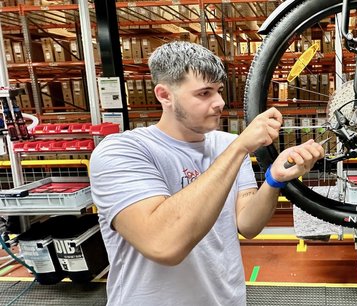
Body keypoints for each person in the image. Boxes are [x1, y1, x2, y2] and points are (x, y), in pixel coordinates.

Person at [89, 41, 324, 305]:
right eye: (204, 93)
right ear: (164, 95)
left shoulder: (225, 144)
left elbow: (247, 224)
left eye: (220, 91)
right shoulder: (122, 151)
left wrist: (273, 179)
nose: (219, 102)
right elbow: (163, 244)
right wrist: (239, 148)